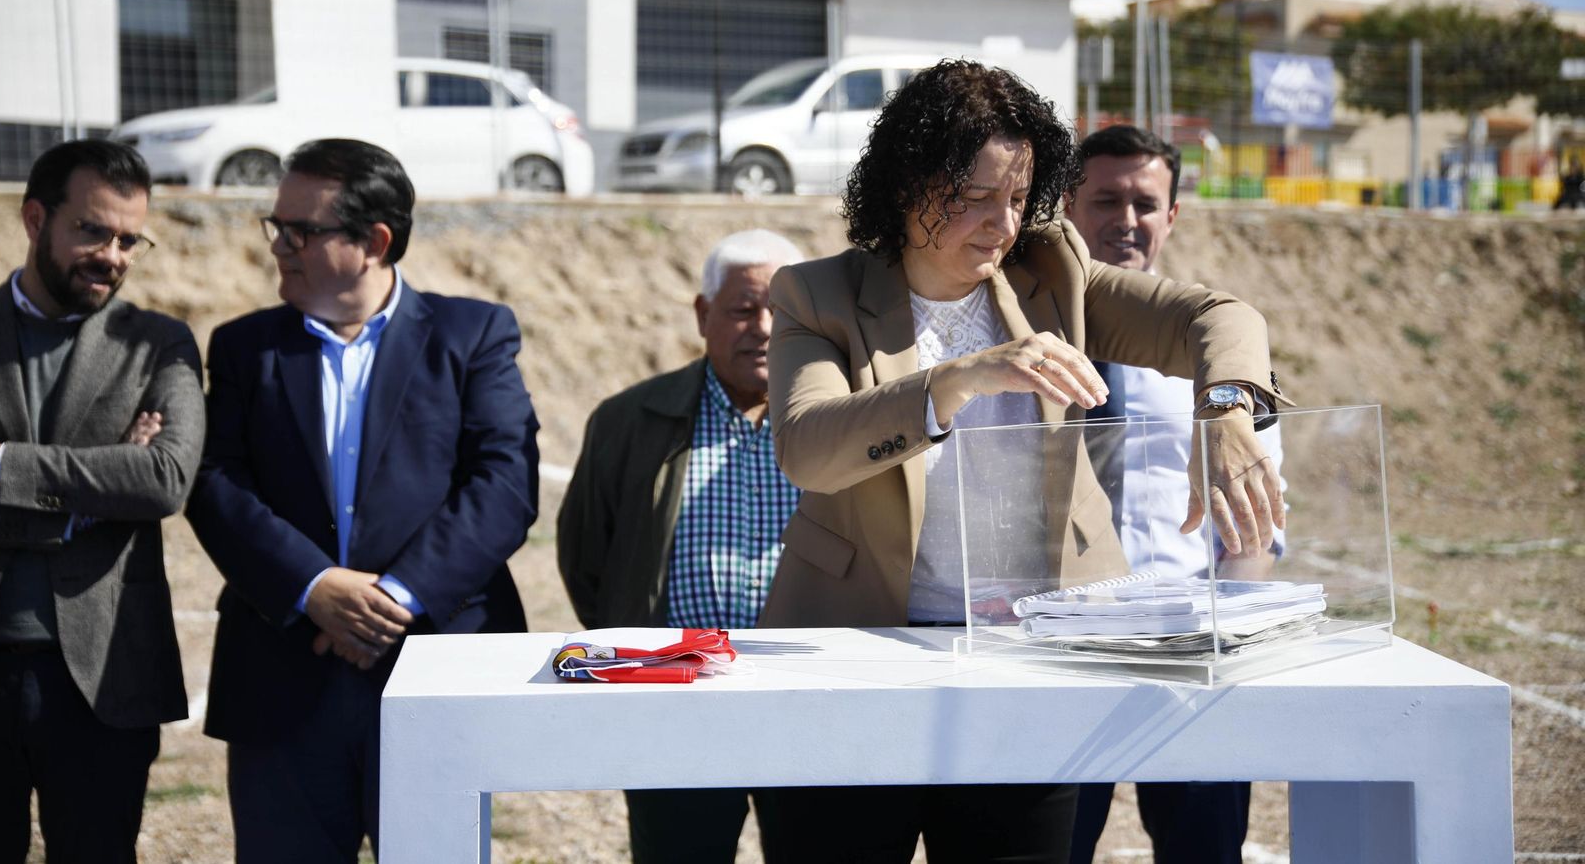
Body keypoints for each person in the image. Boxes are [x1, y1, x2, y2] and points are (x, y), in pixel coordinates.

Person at [758, 61, 1287, 864]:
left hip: (1027, 668)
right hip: (859, 660)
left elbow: (1217, 315)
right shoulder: (817, 296)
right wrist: (960, 378)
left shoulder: (1055, 272)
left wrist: (1224, 409)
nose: (1002, 223)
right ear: (907, 186)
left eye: (1016, 197)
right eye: (973, 197)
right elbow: (807, 445)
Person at [186, 138, 540, 863]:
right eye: (276, 225)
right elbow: (215, 483)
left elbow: (505, 483)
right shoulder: (243, 348)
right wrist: (314, 588)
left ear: (375, 241)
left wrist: (394, 600)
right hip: (282, 677)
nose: (279, 245)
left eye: (301, 230)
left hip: (432, 668)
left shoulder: (472, 335)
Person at [1064, 124, 1282, 864]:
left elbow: (1253, 526)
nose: (1126, 219)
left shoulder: (1220, 346)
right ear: (1067, 205)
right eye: (1105, 199)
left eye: (1145, 202)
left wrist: (1225, 639)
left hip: (1189, 652)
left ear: (1173, 215)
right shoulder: (1022, 339)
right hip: (1059, 652)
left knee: (1203, 853)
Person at [0, 139, 205, 864]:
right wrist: (98, 486)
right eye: (91, 230)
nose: (112, 254)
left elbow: (164, 481)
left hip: (104, 675)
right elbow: (128, 484)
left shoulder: (161, 346)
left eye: (128, 239)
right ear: (35, 218)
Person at [558, 228, 804, 863]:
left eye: (780, 310)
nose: (764, 327)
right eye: (743, 309)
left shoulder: (842, 419)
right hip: (675, 696)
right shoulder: (629, 420)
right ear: (703, 315)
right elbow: (587, 557)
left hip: (810, 695)